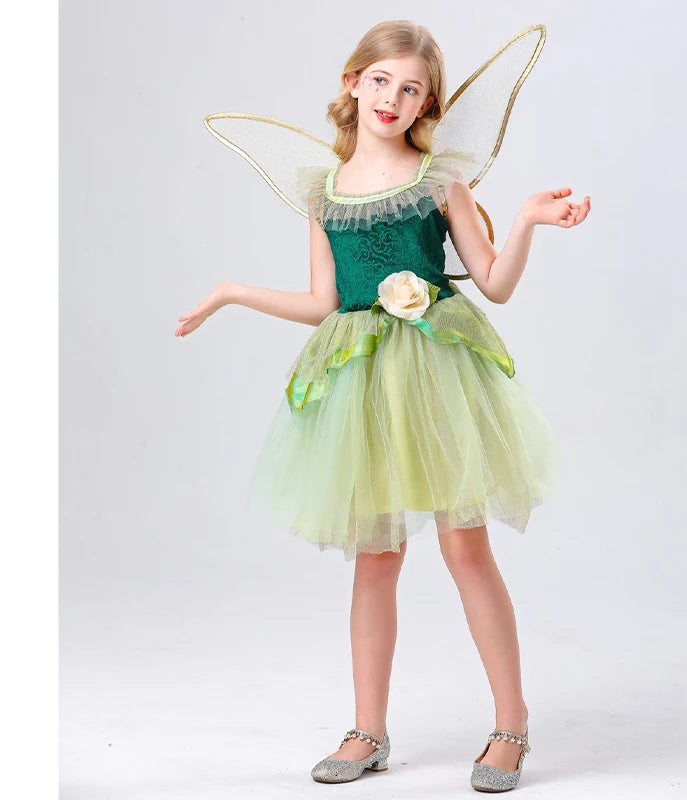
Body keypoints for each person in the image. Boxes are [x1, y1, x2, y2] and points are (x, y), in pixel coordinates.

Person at [175, 19, 589, 792]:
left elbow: (494, 284)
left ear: (428, 103)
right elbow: (324, 302)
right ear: (352, 82)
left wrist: (527, 220)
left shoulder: (440, 180)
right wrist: (232, 291)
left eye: (411, 89)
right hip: (364, 382)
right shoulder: (323, 195)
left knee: (465, 549)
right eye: (380, 81)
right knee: (376, 556)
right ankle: (368, 729)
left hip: (436, 373)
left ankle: (511, 723)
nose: (392, 98)